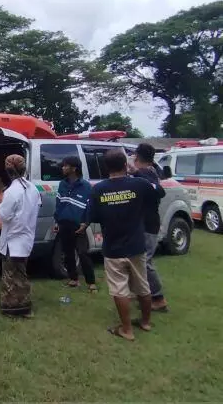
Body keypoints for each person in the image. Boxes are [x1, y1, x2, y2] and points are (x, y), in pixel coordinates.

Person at [87, 149, 159, 341]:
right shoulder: (140, 184)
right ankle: (145, 322)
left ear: (106, 167)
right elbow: (158, 192)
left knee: (119, 289)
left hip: (113, 247)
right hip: (136, 244)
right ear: (125, 165)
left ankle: (126, 329)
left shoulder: (98, 189)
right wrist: (137, 173)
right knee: (142, 285)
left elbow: (92, 216)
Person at [0, 154, 40, 318]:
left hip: (13, 241)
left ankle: (11, 308)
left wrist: (0, 205)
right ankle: (24, 306)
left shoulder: (11, 191)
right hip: (26, 239)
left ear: (8, 171)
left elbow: (4, 216)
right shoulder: (33, 188)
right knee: (21, 274)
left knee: (10, 277)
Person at [132, 143, 169, 313]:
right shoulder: (149, 172)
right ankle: (142, 293)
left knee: (145, 261)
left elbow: (158, 191)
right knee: (139, 260)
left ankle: (158, 298)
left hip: (148, 224)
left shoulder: (147, 173)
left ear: (138, 157)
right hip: (143, 223)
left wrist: (137, 173)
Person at [54, 156, 97, 292]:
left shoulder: (85, 187)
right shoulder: (62, 184)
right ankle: (73, 279)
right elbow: (59, 204)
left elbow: (90, 207)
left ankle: (91, 282)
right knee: (68, 253)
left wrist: (86, 223)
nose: (63, 168)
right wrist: (57, 221)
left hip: (79, 226)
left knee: (83, 253)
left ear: (74, 168)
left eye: (65, 166)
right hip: (63, 223)